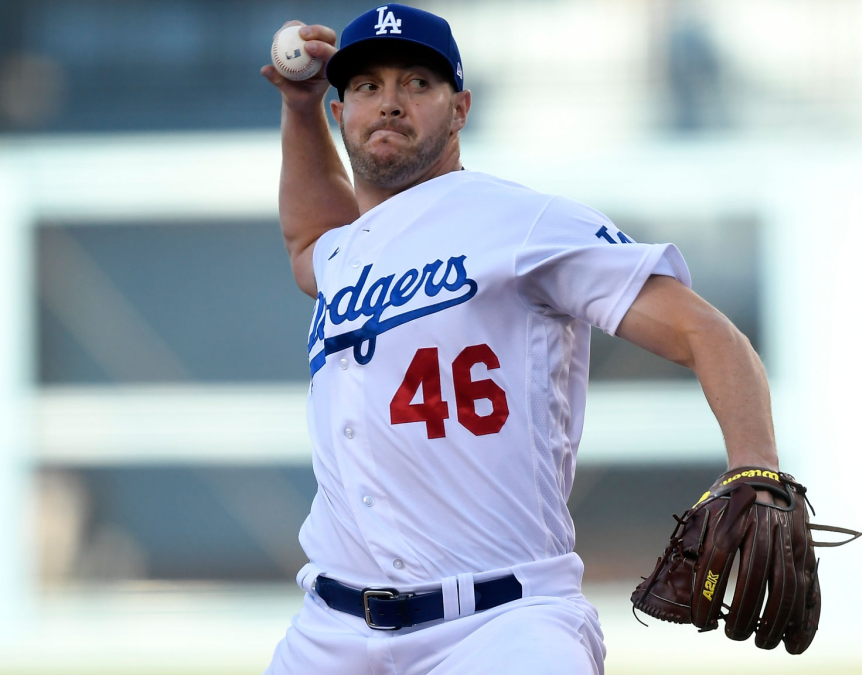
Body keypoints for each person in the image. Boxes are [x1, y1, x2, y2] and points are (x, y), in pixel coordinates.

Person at [259, 5, 779, 674]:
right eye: (366, 86)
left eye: (417, 83)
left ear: (460, 108)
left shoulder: (521, 221)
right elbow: (308, 239)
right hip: (331, 631)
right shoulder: (343, 255)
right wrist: (299, 110)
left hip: (502, 626)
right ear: (341, 114)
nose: (388, 103)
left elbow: (704, 331)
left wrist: (756, 466)